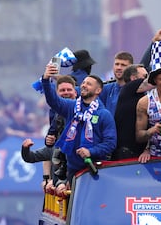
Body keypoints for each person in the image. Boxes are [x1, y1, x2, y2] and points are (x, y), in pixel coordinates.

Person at [41, 62, 117, 190]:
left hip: (96, 170)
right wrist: (46, 80)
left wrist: (90, 151)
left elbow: (110, 143)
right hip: (73, 171)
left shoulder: (104, 114)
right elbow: (53, 101)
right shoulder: (72, 107)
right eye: (84, 83)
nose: (84, 85)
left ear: (98, 90)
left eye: (89, 84)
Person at [113, 64, 150, 160]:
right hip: (126, 153)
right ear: (133, 78)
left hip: (138, 152)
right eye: (145, 77)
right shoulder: (129, 88)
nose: (148, 79)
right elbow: (160, 78)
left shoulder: (141, 96)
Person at [99, 51, 134, 116]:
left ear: (131, 68)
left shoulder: (135, 90)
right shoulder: (105, 89)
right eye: (117, 64)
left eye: (123, 65)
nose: (119, 68)